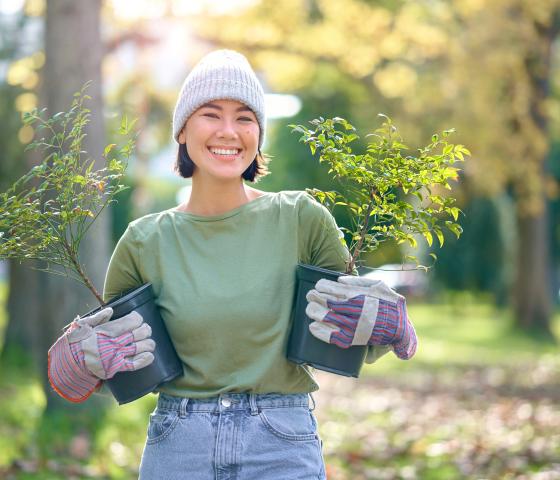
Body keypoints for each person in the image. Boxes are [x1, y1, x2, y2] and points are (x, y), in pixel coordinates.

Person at [47, 49, 417, 479]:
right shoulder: (144, 241)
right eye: (211, 114)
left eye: (245, 117)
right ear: (183, 129)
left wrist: (390, 324)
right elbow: (116, 368)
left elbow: (349, 331)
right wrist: (81, 360)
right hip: (179, 446)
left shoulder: (300, 218)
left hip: (280, 444)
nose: (229, 131)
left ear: (259, 132)